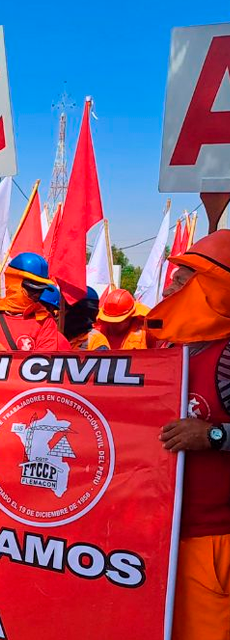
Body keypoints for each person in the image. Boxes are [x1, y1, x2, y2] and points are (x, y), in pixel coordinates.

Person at [147, 230, 230, 640]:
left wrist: (214, 436)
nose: (173, 285)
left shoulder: (229, 355)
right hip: (153, 536)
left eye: (186, 277)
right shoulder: (168, 346)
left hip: (209, 541)